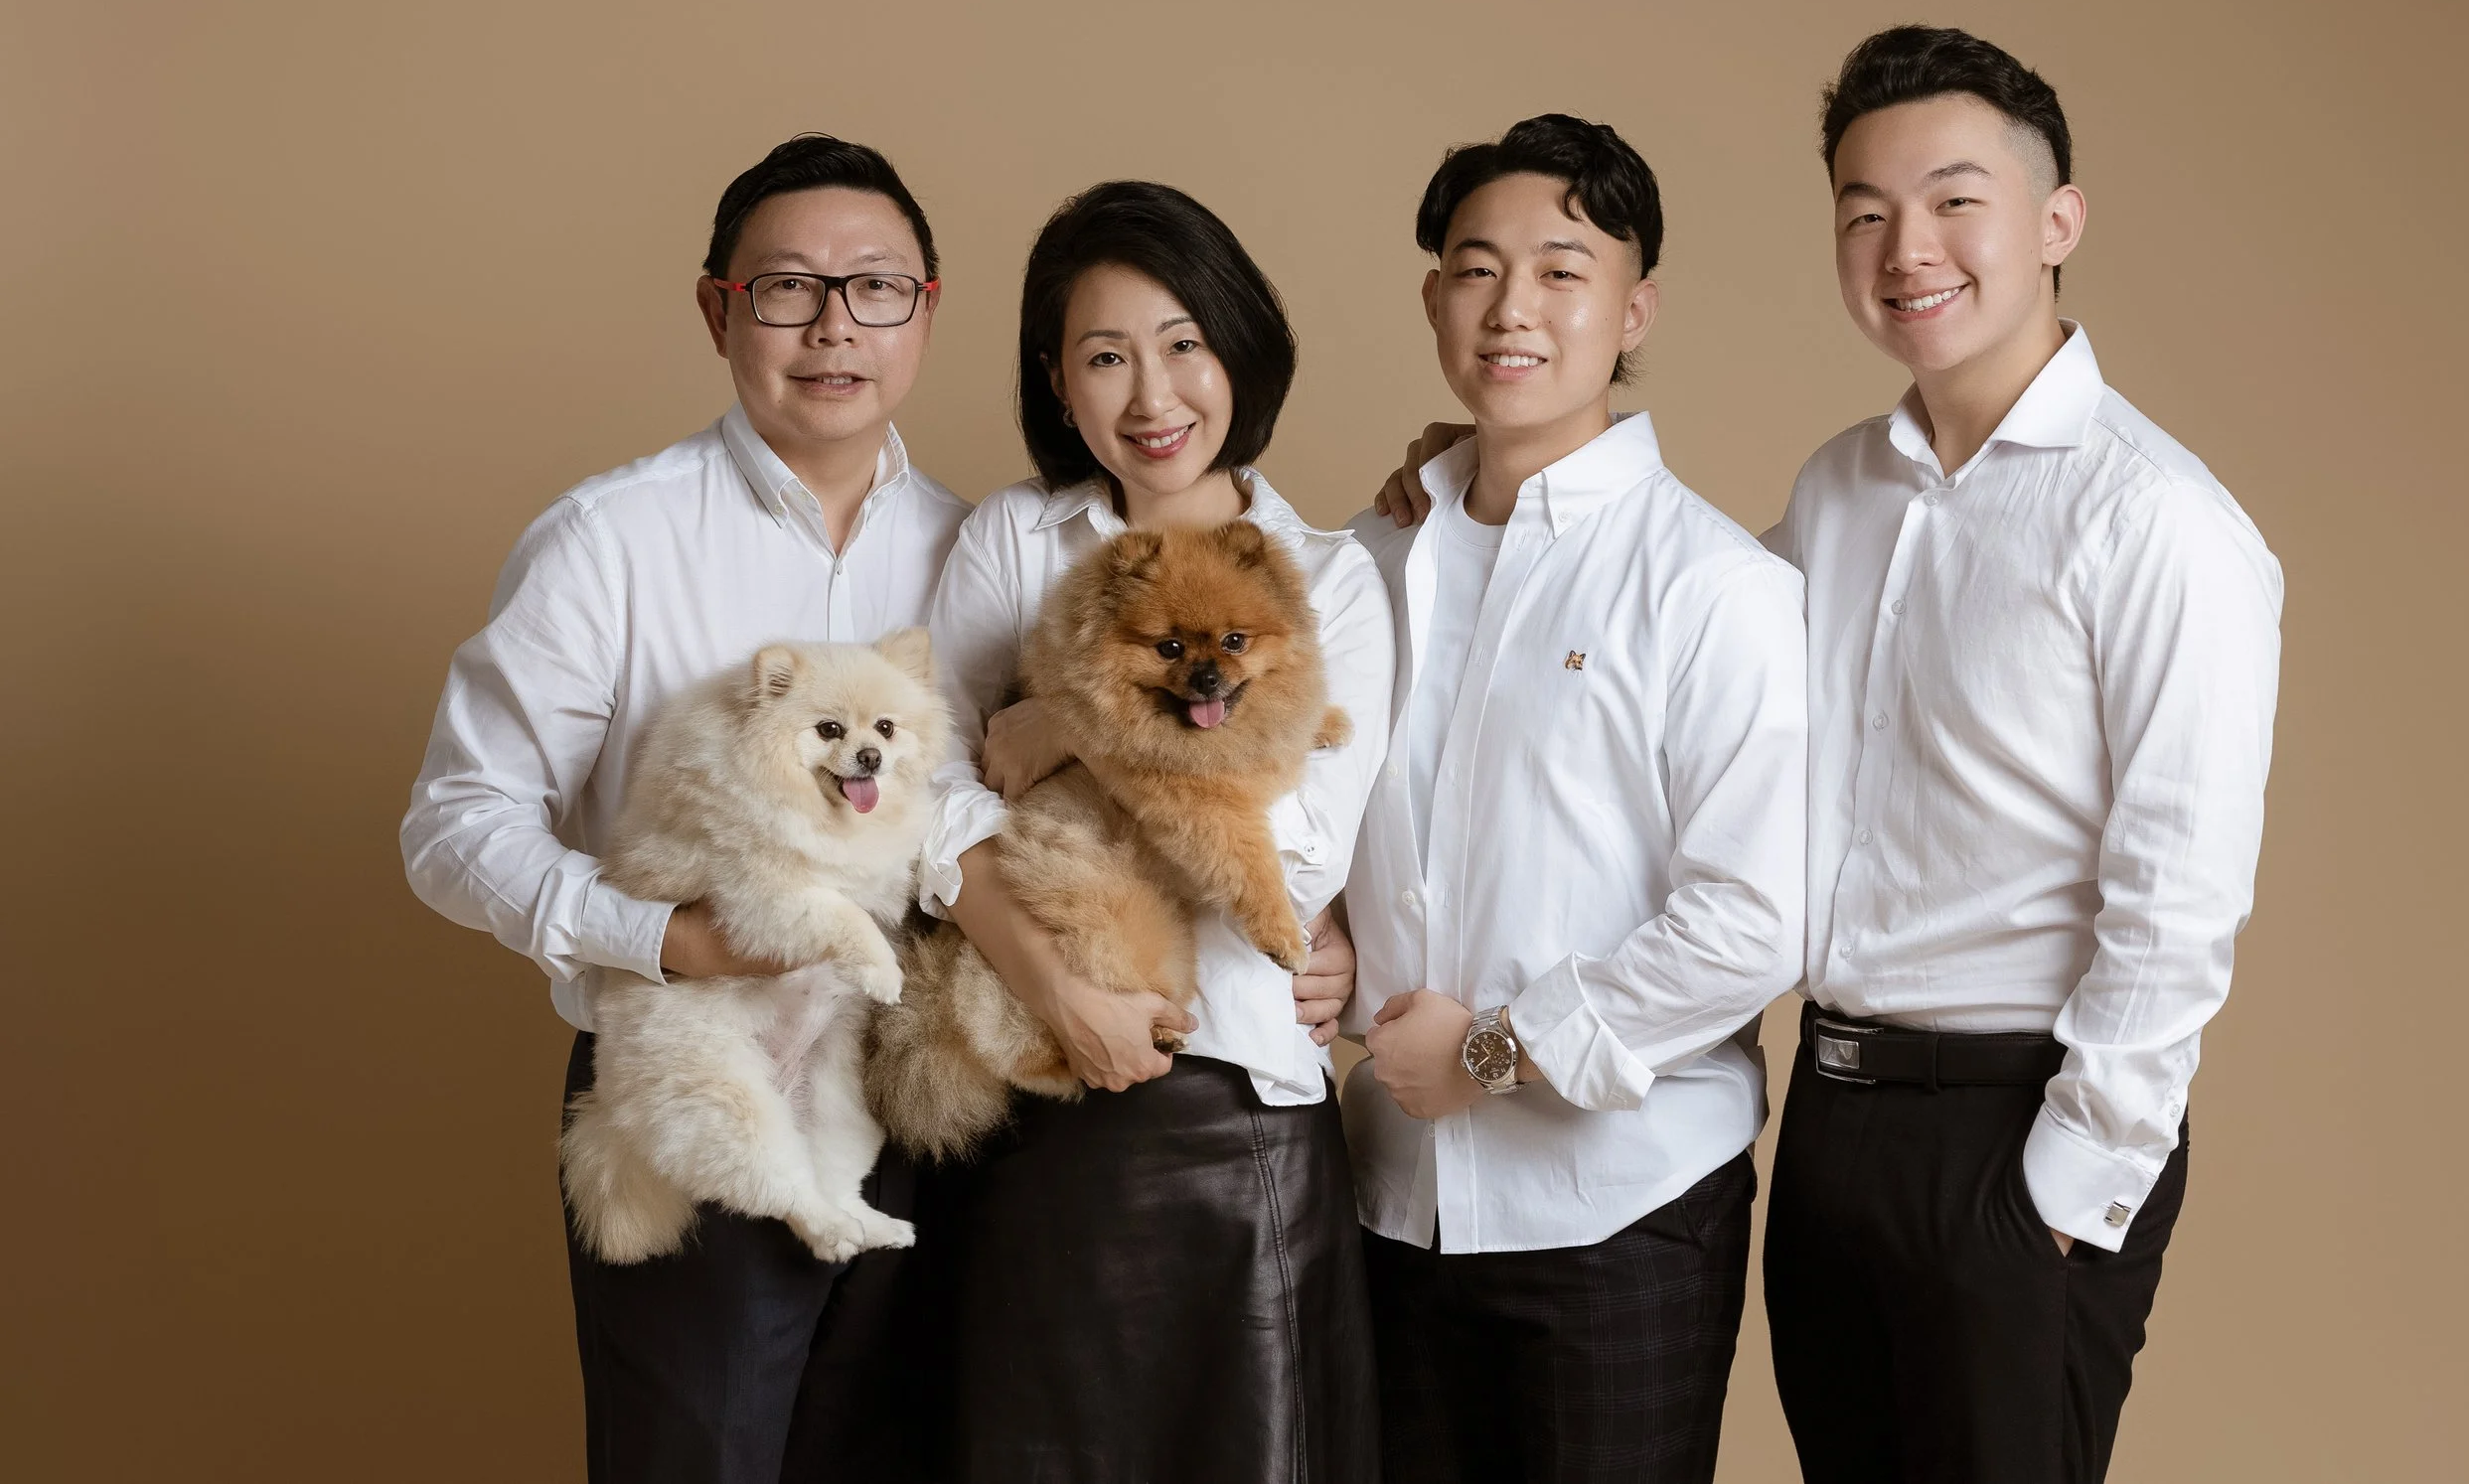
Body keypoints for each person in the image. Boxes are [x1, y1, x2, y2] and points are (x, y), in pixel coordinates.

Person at [399, 134, 972, 1482]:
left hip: (918, 1082)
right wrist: (663, 940)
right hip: (693, 1072)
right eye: (787, 288)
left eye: (875, 286)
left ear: (925, 310)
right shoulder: (611, 540)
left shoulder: (982, 549)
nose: (834, 325)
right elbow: (455, 820)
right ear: (720, 310)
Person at [1760, 27, 2282, 1482]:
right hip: (1832, 1116)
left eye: (1953, 200)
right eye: (1866, 212)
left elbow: (2180, 892)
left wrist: (2066, 1186)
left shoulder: (2160, 523)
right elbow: (1672, 664)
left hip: (2019, 1130)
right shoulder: (1837, 489)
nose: (1906, 248)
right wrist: (1479, 481)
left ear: (2057, 222)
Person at [1343, 114, 1807, 1483]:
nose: (1514, 309)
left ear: (1633, 309)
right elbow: (1302, 815)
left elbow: (1750, 923)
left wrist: (1492, 1054)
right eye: (1477, 270)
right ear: (1434, 299)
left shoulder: (1714, 586)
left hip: (1621, 1210)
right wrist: (1318, 939)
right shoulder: (1362, 562)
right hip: (1386, 1203)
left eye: (1562, 270)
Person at [916, 180, 1391, 1483]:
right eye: (1105, 356)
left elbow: (1298, 849)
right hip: (1030, 1095)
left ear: (1240, 347)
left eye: (1184, 344)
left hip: (1237, 1111)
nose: (1152, 396)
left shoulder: (1328, 575)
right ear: (1057, 381)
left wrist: (1073, 722)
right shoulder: (1015, 539)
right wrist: (1058, 989)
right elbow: (934, 798)